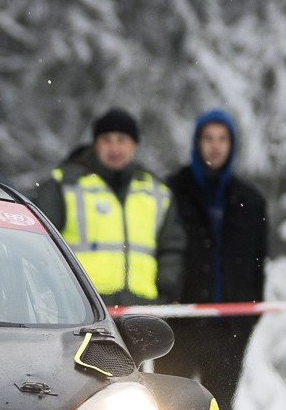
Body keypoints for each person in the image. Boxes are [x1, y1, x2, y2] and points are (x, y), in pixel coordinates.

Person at [153, 109, 270, 410]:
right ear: (197, 142)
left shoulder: (251, 200)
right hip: (179, 325)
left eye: (223, 139)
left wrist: (247, 322)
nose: (215, 146)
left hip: (228, 329)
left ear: (232, 145)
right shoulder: (170, 191)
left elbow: (258, 267)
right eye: (209, 138)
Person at [31, 107, 179, 309]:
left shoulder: (157, 192)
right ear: (95, 144)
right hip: (83, 310)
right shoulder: (66, 184)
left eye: (121, 140)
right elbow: (40, 244)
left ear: (134, 145)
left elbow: (172, 248)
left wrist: (165, 291)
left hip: (143, 311)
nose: (114, 149)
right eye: (107, 140)